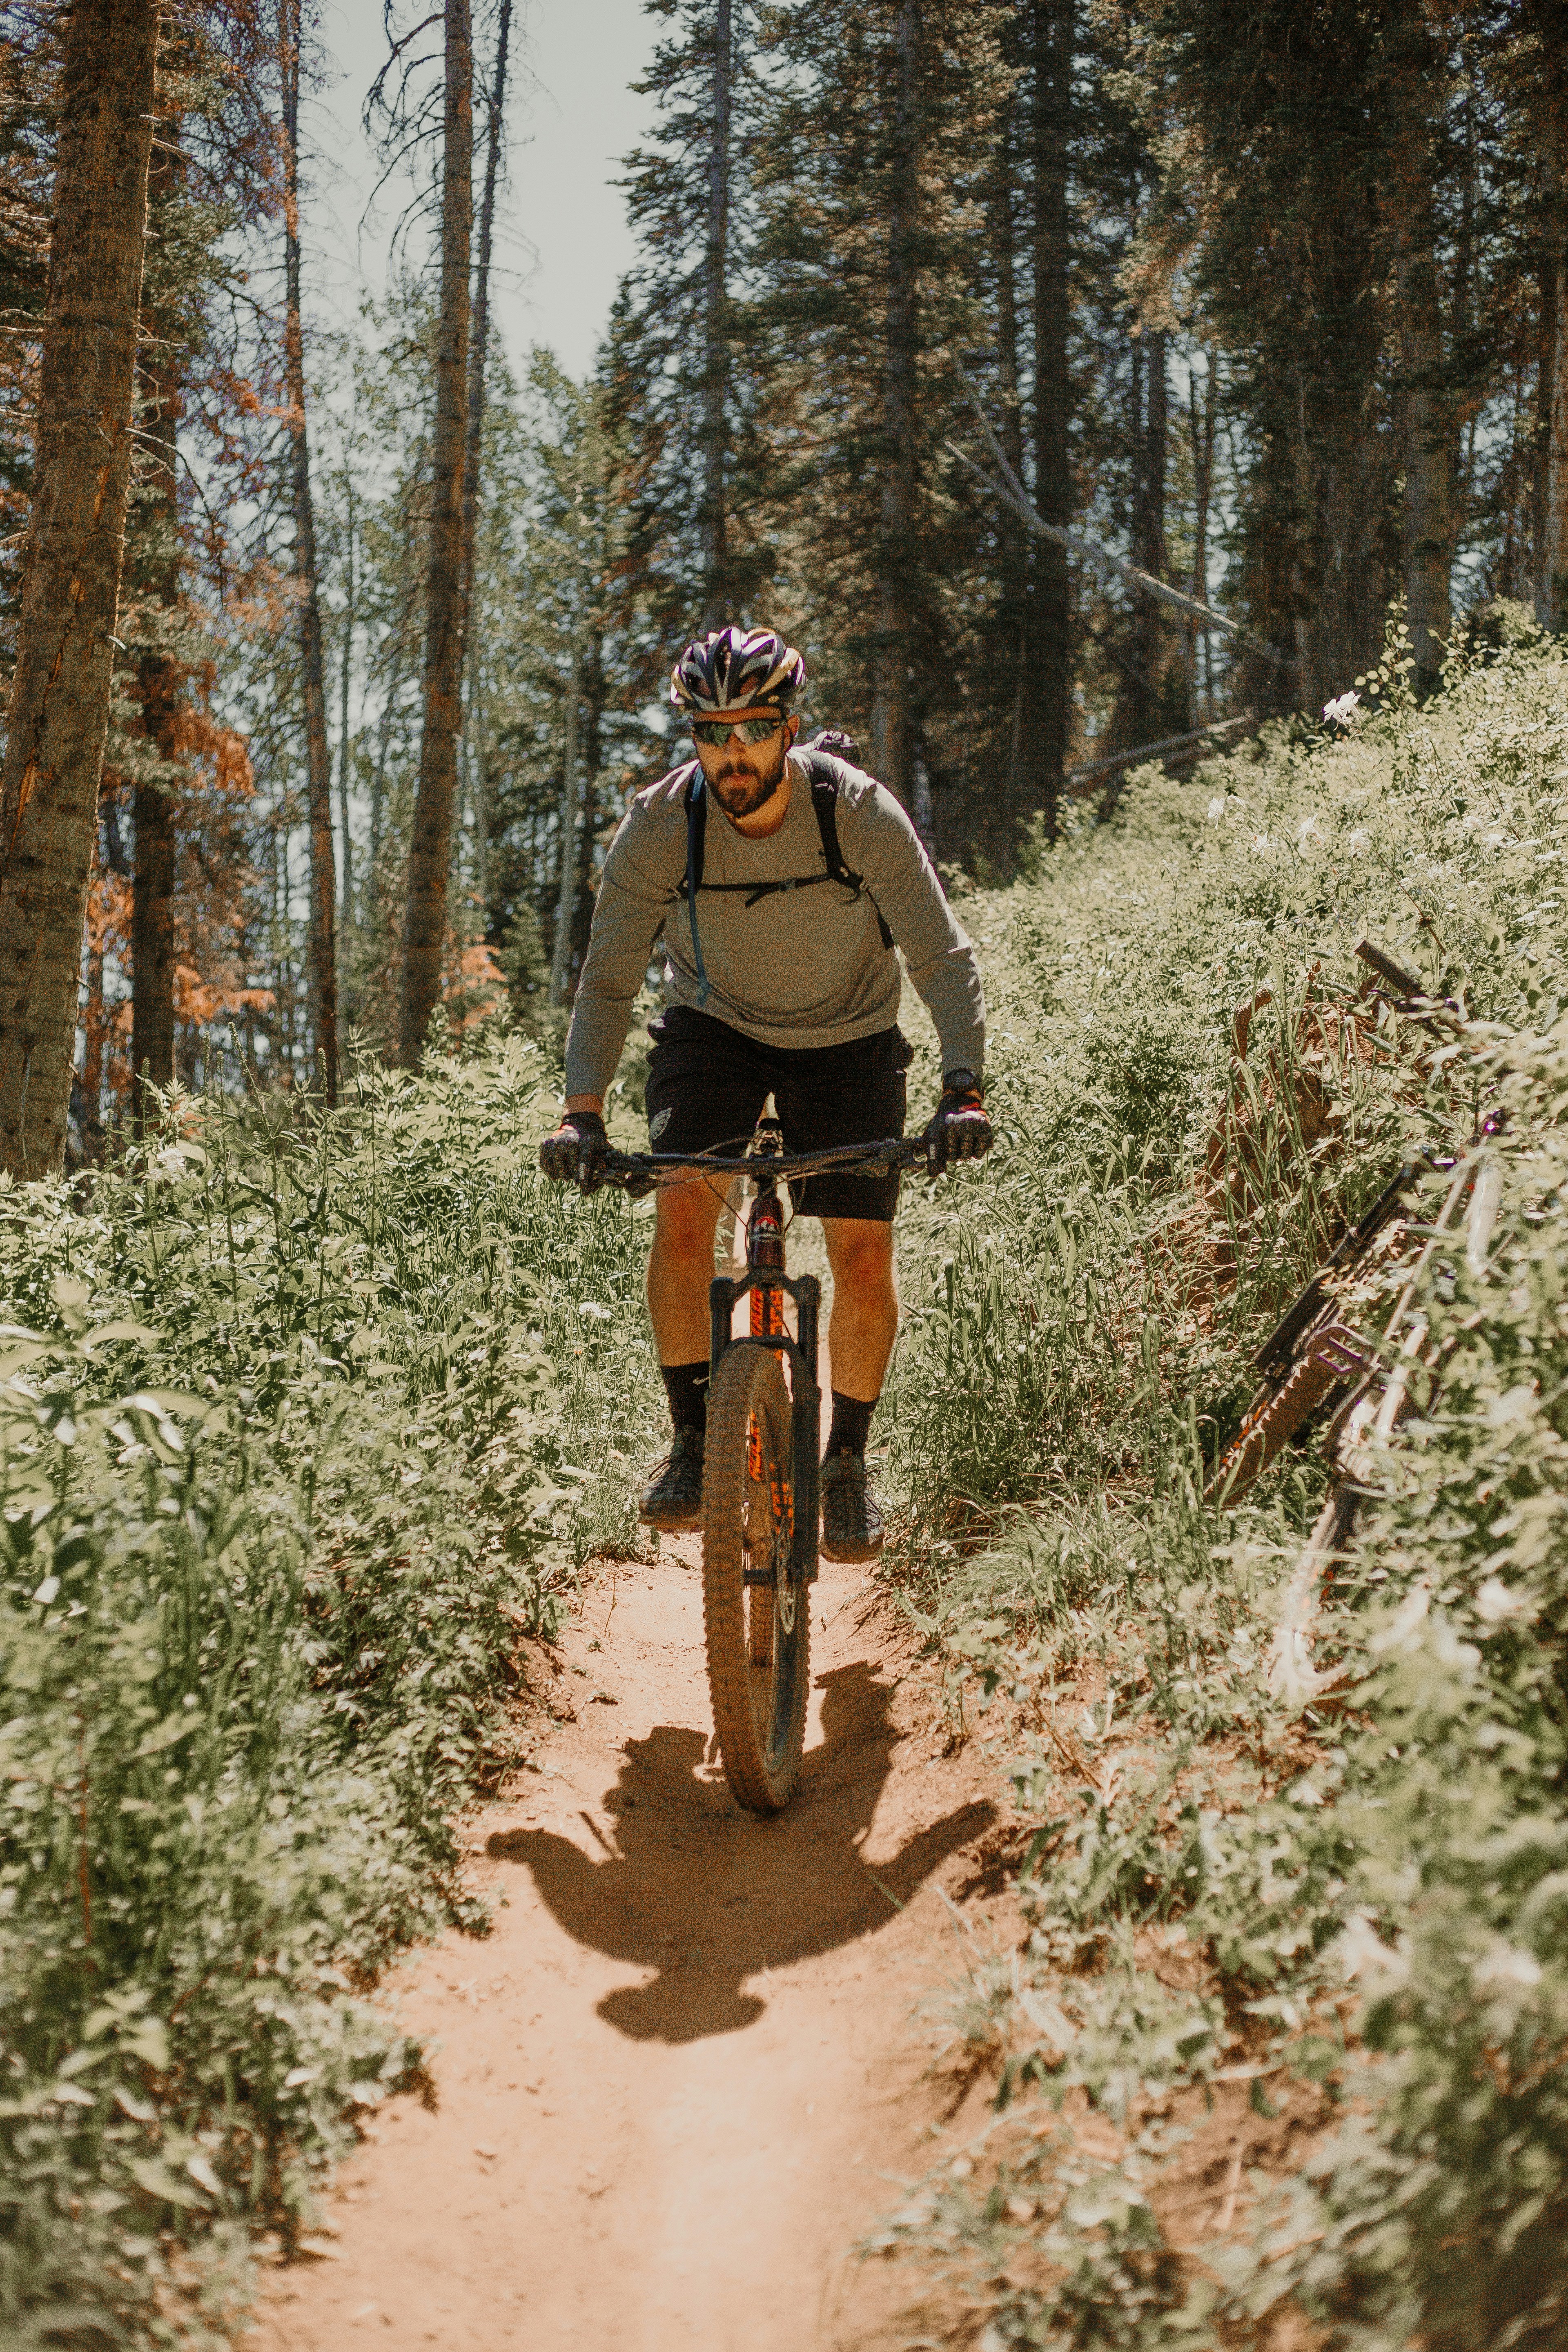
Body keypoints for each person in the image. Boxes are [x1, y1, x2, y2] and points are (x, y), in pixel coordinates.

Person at [539, 625, 991, 1560]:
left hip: (850, 1037)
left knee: (863, 1253)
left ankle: (848, 1466)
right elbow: (609, 978)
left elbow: (941, 956)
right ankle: (694, 1440)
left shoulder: (858, 813)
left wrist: (963, 1087)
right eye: (710, 732)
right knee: (680, 1214)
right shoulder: (663, 824)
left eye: (750, 728)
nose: (730, 752)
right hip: (716, 1031)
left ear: (789, 727)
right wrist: (580, 1114)